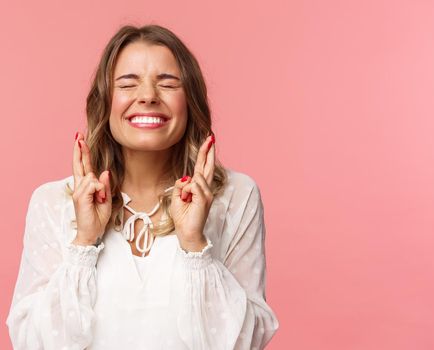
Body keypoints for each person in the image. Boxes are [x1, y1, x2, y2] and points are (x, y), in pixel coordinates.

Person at [5, 24, 280, 349]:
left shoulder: (236, 196)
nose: (148, 95)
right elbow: (30, 342)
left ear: (189, 101)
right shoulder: (52, 202)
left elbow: (246, 343)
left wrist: (194, 244)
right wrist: (84, 242)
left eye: (168, 83)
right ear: (105, 101)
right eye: (127, 83)